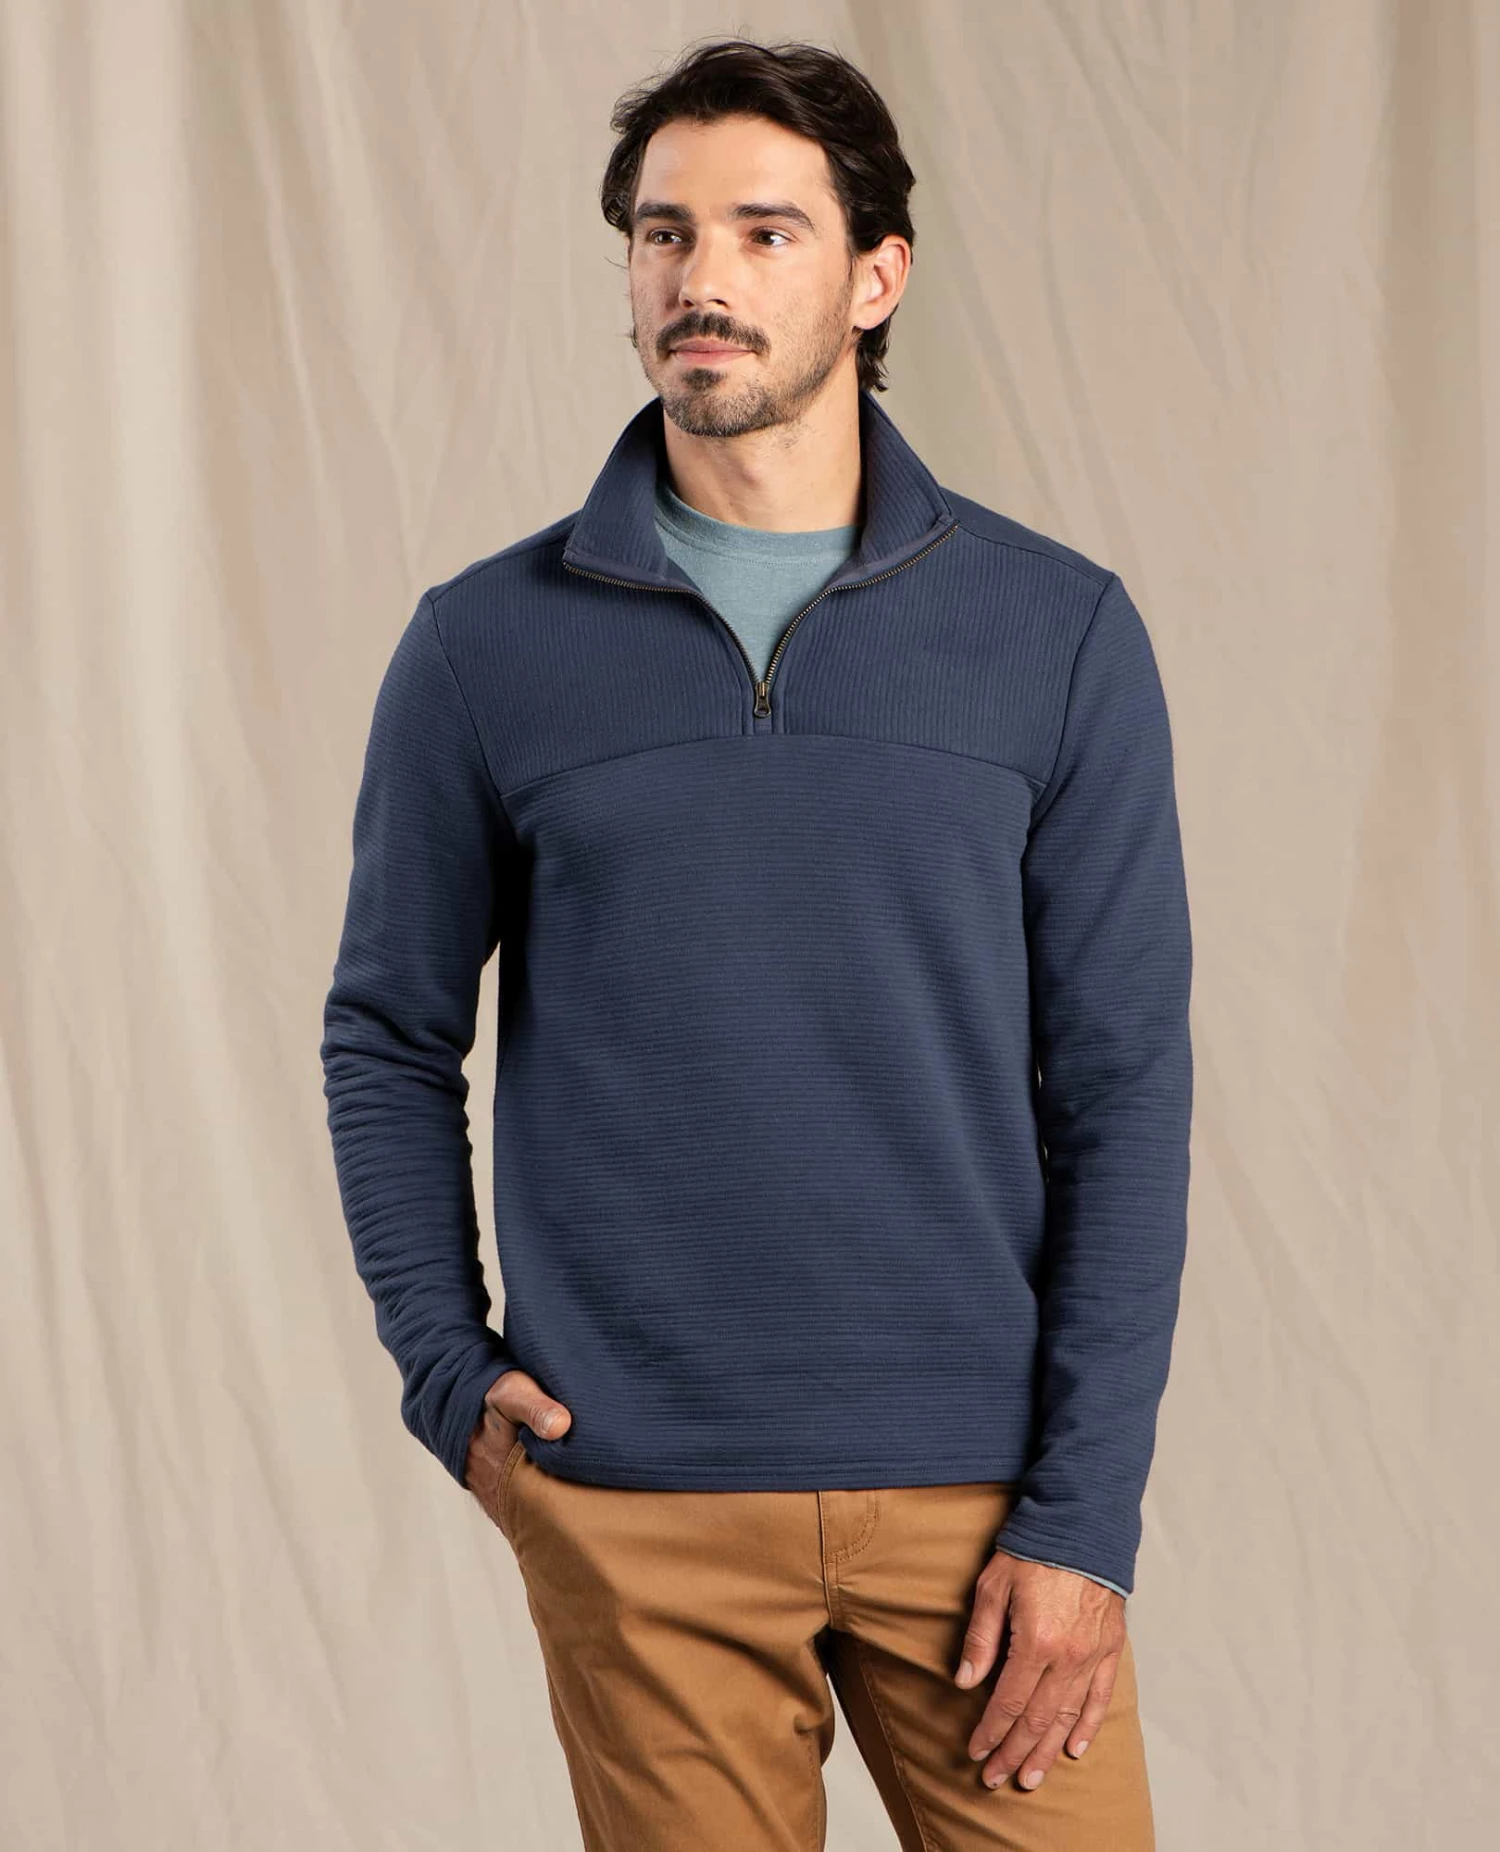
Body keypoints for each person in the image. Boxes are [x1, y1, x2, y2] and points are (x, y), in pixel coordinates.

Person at [320, 34, 1192, 1852]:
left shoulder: (1056, 633)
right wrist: (444, 1367)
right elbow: (389, 1033)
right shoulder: (484, 646)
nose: (700, 277)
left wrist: (1085, 1518)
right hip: (638, 1503)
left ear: (877, 278)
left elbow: (1122, 1093)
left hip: (982, 1502)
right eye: (665, 233)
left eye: (764, 232)